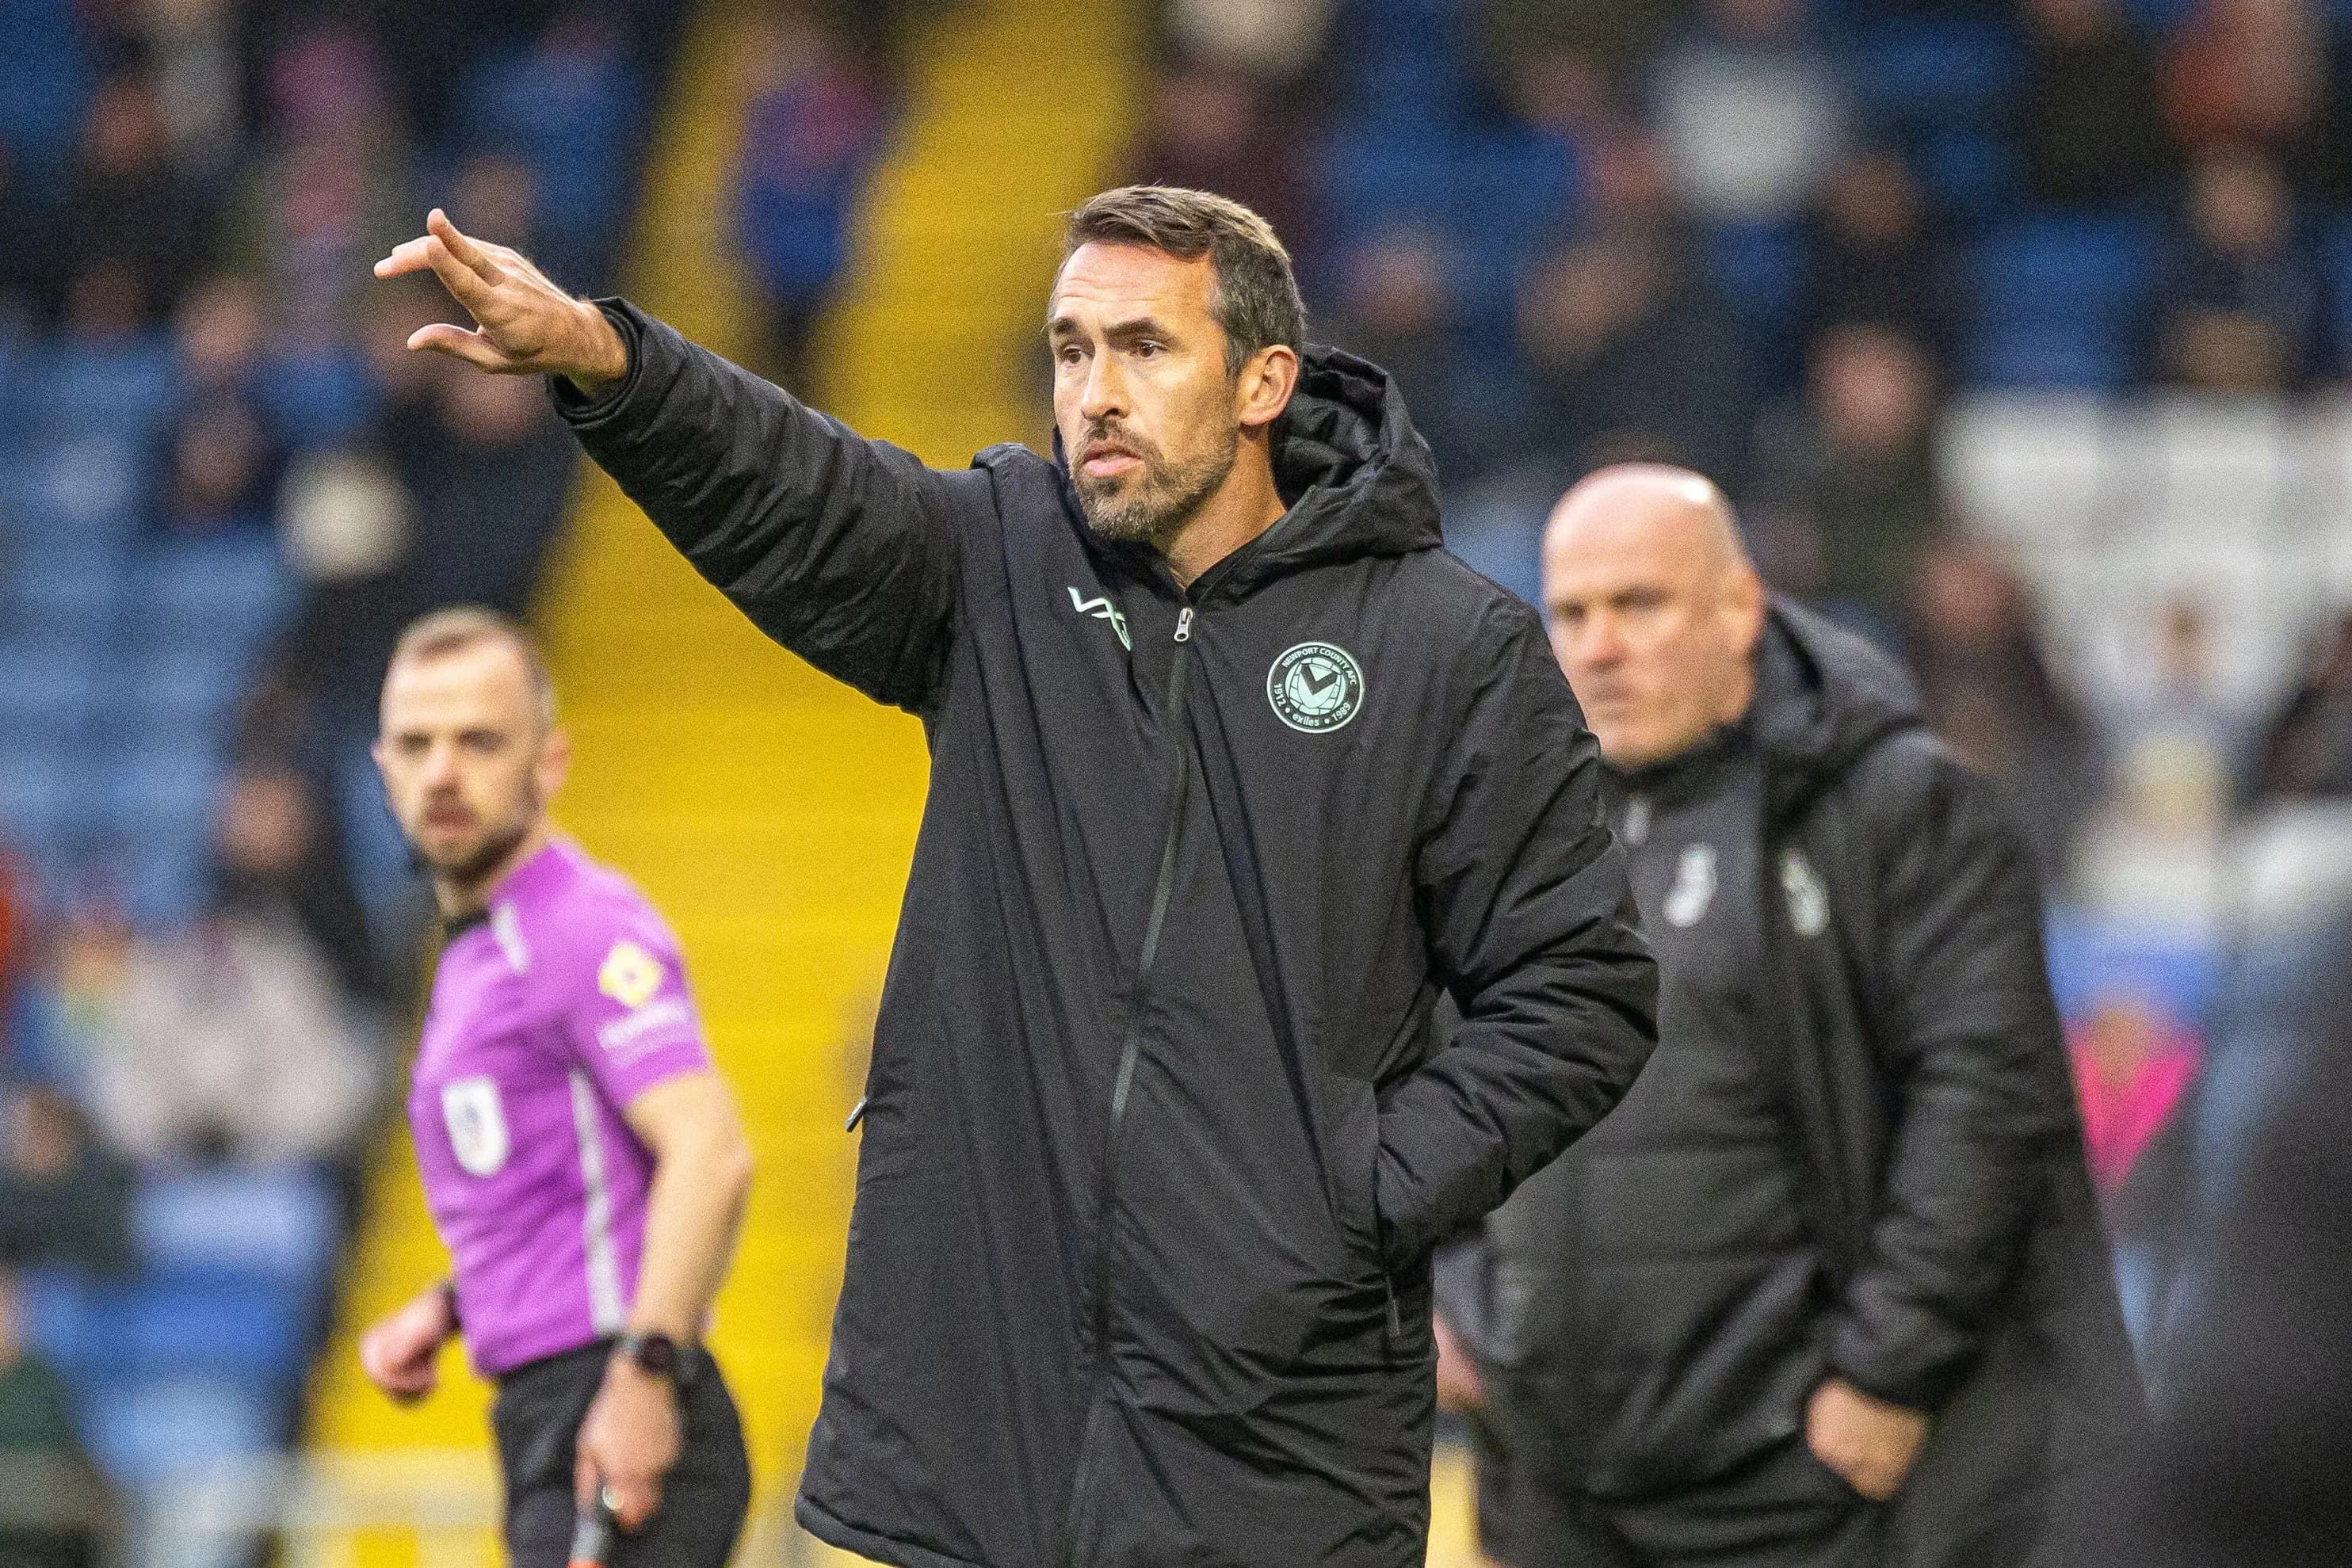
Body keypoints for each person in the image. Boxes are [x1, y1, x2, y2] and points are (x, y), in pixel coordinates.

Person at [374, 187, 1658, 1567]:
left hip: (1280, 1437)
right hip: (976, 1429)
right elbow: (790, 486)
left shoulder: (1444, 647)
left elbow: (1578, 986)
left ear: (1261, 381)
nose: (1092, 392)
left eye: (1142, 348)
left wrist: (1347, 1193)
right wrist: (605, 359)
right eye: (1068, 349)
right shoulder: (999, 559)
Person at [1456, 466, 2140, 1568]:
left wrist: (1884, 1372)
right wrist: (1459, 1299)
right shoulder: (1515, 830)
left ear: (1740, 606)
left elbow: (1985, 1100)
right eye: (1572, 611)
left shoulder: (1900, 804)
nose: (1598, 645)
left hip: (1812, 1486)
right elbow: (1442, 1077)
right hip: (1561, 1491)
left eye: (1640, 603)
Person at [357, 609, 754, 1566]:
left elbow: (711, 1150)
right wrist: (452, 1304)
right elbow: (569, 1189)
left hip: (614, 1402)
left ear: (550, 761)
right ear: (382, 768)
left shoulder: (579, 925)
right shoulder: (473, 951)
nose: (442, 771)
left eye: (478, 740)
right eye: (417, 743)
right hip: (546, 1408)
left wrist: (643, 1376)